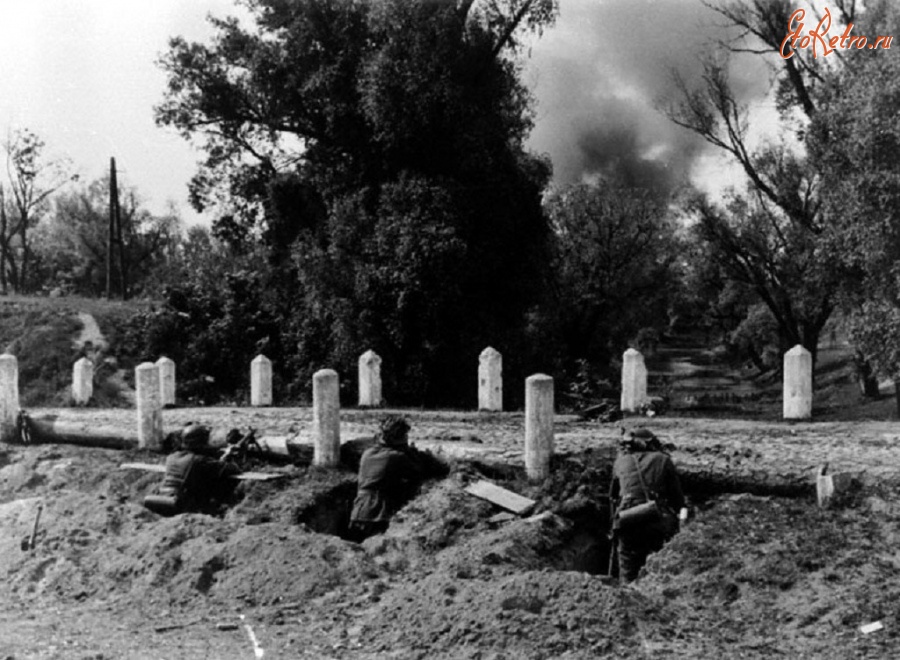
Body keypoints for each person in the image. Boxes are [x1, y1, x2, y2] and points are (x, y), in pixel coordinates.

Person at [609, 428, 686, 582]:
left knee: (627, 567)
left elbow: (613, 496)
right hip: (656, 519)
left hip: (626, 518)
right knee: (660, 566)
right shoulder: (663, 460)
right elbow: (677, 499)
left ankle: (626, 592)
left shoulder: (620, 462)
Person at [348, 415, 424, 542]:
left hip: (358, 511)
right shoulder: (396, 457)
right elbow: (419, 472)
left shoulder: (368, 453)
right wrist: (411, 452)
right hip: (377, 514)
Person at [143, 423, 241, 516]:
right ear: (201, 442)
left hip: (163, 497)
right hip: (184, 504)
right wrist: (229, 457)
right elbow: (234, 469)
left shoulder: (172, 457)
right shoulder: (199, 460)